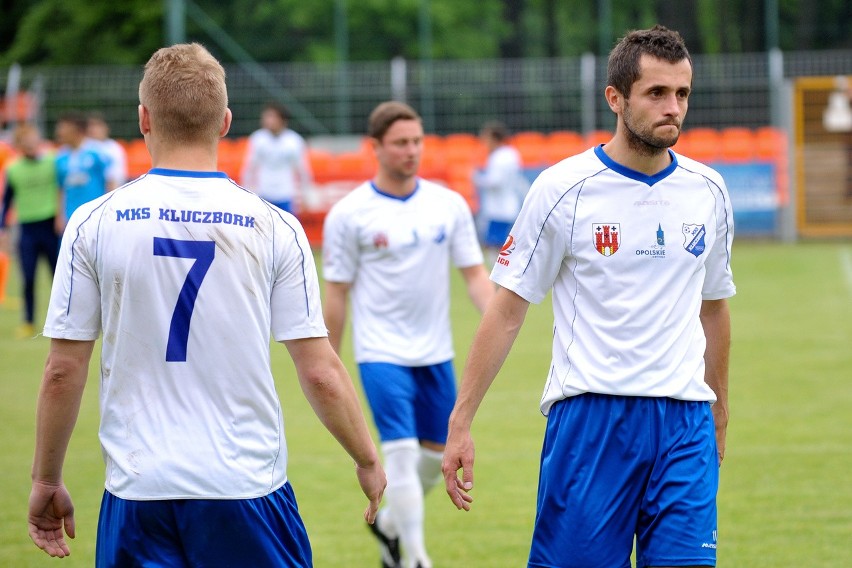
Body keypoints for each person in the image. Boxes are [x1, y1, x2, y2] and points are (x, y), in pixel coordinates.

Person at [28, 43, 385, 566]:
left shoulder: (93, 221)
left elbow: (62, 370)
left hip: (138, 488)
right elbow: (321, 371)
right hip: (245, 485)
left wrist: (45, 479)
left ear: (144, 120)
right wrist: (366, 458)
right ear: (225, 123)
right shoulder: (275, 226)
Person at [442, 25, 735, 568]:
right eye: (656, 93)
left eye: (683, 94)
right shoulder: (562, 189)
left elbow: (714, 307)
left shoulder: (709, 191)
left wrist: (718, 410)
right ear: (615, 98)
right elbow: (507, 310)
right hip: (592, 421)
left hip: (685, 425)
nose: (674, 107)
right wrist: (462, 421)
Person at [322, 101, 494, 568]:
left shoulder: (448, 206)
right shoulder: (350, 214)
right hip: (380, 353)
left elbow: (476, 276)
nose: (411, 151)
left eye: (417, 141)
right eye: (400, 143)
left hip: (436, 353)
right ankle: (413, 557)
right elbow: (336, 291)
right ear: (375, 147)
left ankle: (389, 524)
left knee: (437, 458)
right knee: (398, 455)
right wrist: (329, 358)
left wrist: (500, 316)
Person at [0, 123, 60, 338]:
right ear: (18, 146)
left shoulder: (54, 161)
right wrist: (3, 228)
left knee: (59, 277)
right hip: (27, 229)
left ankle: (62, 321)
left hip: (51, 226)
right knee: (28, 278)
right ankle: (28, 321)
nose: (32, 146)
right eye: (26, 143)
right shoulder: (13, 169)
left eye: (34, 141)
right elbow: (7, 201)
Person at [241, 101, 314, 214]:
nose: (267, 120)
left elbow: (303, 170)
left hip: (285, 195)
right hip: (263, 195)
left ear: (282, 120)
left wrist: (306, 195)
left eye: (271, 116)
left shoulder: (294, 141)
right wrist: (245, 192)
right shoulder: (257, 139)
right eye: (266, 116)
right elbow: (249, 168)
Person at [473, 121, 529, 262]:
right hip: (510, 206)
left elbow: (495, 181)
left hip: (498, 209)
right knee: (506, 245)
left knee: (495, 246)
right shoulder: (512, 153)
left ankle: (499, 276)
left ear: (494, 138)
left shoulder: (499, 157)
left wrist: (478, 179)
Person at [54, 111, 112, 230]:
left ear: (76, 130)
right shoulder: (60, 157)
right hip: (70, 217)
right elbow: (60, 188)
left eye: (63, 129)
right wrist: (59, 215)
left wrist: (110, 210)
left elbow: (110, 182)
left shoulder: (98, 152)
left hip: (95, 214)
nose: (59, 133)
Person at [87, 112, 128, 188]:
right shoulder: (83, 148)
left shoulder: (115, 149)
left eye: (98, 125)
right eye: (91, 125)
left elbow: (117, 177)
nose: (93, 129)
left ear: (106, 127)